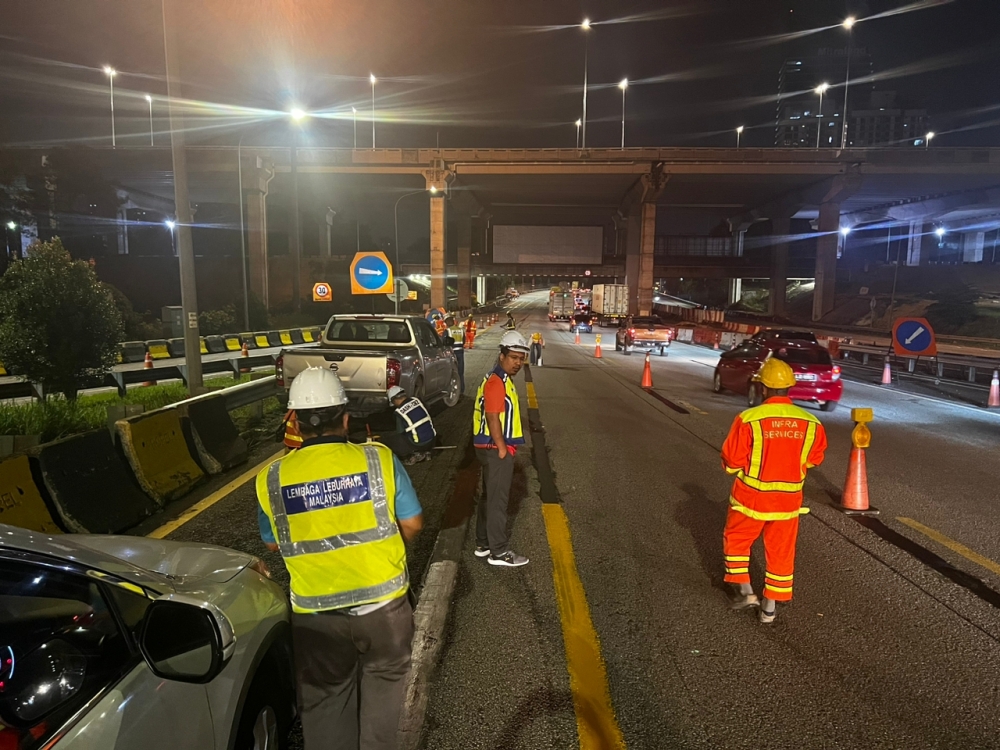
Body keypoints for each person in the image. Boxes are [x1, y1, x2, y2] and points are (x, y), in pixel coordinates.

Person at [256, 367, 423, 750]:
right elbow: (412, 523)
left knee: (327, 704)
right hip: (384, 609)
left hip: (316, 619)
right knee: (384, 701)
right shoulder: (378, 459)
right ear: (346, 418)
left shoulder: (271, 478)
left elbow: (272, 545)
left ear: (295, 421)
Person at [720, 357, 827, 625]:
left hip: (750, 497)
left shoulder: (749, 418)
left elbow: (732, 460)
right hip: (788, 501)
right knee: (781, 551)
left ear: (764, 388)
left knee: (737, 540)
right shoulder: (811, 422)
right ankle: (769, 608)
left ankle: (745, 592)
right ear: (789, 387)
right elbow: (814, 459)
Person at [472, 330, 530, 567]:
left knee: (489, 498)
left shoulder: (497, 378)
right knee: (498, 503)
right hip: (495, 450)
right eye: (514, 357)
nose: (518, 363)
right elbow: (493, 416)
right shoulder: (497, 382)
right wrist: (503, 449)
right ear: (502, 355)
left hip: (487, 448)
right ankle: (499, 552)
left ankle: (483, 544)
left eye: (521, 358)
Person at [381, 385, 437, 465]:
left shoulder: (399, 412)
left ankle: (411, 456)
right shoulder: (416, 400)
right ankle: (427, 452)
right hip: (432, 440)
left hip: (418, 444)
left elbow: (400, 432)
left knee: (394, 440)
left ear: (395, 400)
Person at [446, 315, 466, 393]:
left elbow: (444, 342)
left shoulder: (448, 331)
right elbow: (464, 341)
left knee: (452, 372)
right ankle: (462, 389)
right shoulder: (460, 330)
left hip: (452, 353)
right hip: (460, 352)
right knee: (460, 372)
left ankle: (453, 390)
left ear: (448, 322)